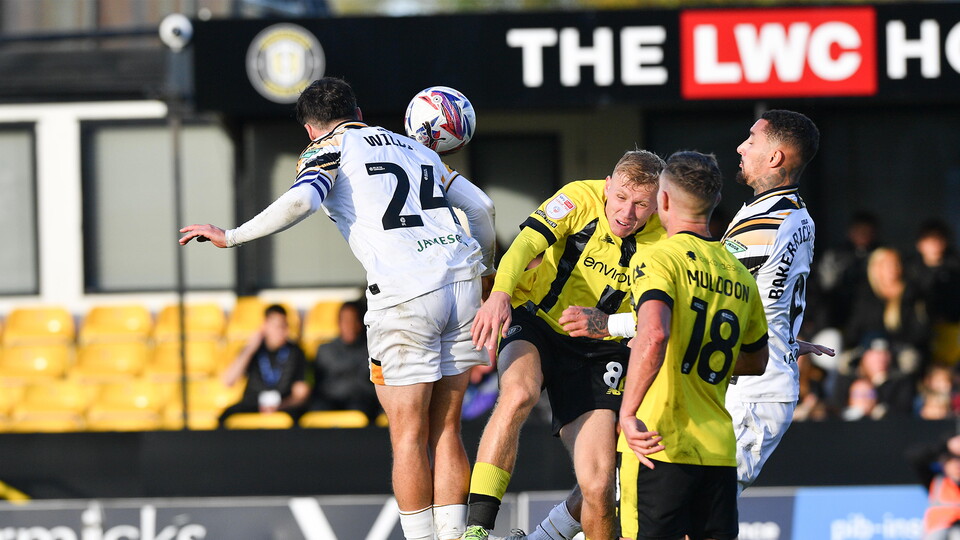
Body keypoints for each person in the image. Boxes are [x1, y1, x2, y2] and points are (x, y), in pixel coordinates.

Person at [180, 77, 497, 540]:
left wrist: (231, 236)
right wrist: (486, 276)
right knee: (447, 428)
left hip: (405, 293)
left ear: (311, 128)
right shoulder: (416, 148)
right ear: (358, 111)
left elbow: (303, 200)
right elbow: (483, 207)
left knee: (407, 435)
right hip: (462, 280)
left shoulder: (327, 149)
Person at [563, 110, 830, 497]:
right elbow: (767, 292)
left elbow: (696, 305)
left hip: (751, 393)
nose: (741, 146)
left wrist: (608, 325)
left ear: (775, 158)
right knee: (633, 486)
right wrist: (782, 337)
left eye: (752, 140)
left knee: (687, 509)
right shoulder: (788, 212)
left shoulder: (767, 222)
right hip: (732, 378)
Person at [464, 150, 667, 540]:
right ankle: (477, 530)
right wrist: (501, 294)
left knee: (598, 486)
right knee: (518, 394)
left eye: (642, 204)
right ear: (608, 186)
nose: (627, 212)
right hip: (537, 322)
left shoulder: (664, 238)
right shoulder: (579, 197)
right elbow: (523, 247)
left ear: (657, 204)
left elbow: (666, 316)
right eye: (621, 197)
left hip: (601, 350)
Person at [618, 150, 769, 540]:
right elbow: (756, 361)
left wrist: (628, 412)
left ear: (662, 200)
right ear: (716, 201)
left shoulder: (658, 258)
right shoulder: (740, 274)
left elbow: (653, 334)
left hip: (657, 444)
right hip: (717, 449)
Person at [218, 304, 310, 425]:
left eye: (284, 326)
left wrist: (280, 406)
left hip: (283, 405)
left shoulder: (296, 352)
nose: (281, 331)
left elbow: (301, 393)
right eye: (276, 326)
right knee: (226, 416)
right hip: (253, 403)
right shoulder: (254, 350)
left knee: (299, 417)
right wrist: (250, 349)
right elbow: (228, 381)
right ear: (265, 326)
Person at [844, 247, 929, 375]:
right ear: (876, 268)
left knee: (909, 360)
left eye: (896, 263)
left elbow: (918, 332)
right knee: (843, 363)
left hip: (899, 349)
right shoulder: (865, 294)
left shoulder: (912, 294)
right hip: (868, 348)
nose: (893, 268)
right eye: (887, 265)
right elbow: (854, 330)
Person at [309, 300, 380, 420]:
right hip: (329, 401)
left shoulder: (371, 350)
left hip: (361, 403)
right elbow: (318, 385)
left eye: (353, 320)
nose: (349, 325)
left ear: (360, 323)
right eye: (345, 320)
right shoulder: (325, 350)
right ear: (338, 323)